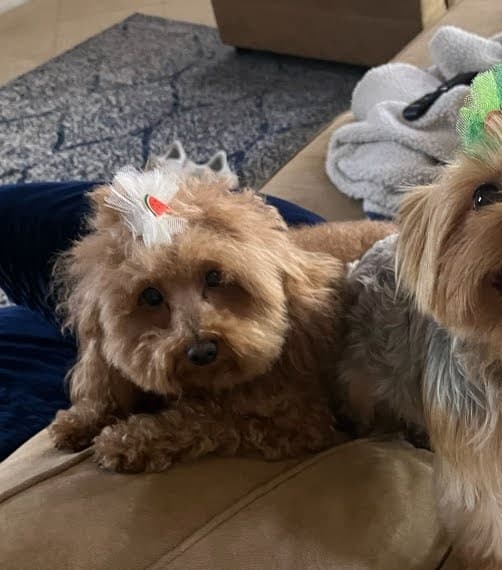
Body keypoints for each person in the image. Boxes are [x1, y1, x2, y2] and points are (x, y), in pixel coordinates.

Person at [0, 180, 325, 460]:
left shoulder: (299, 322)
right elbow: (109, 350)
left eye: (214, 280)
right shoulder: (108, 325)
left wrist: (173, 432)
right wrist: (99, 409)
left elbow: (301, 427)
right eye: (153, 299)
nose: (197, 337)